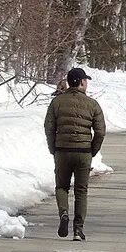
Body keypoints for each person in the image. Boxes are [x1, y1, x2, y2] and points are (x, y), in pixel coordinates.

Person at [43, 67, 105, 241]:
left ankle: (63, 213)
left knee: (62, 187)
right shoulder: (92, 104)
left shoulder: (57, 102)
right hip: (83, 152)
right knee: (81, 191)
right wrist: (93, 150)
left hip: (62, 151)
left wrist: (53, 148)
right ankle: (78, 229)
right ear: (82, 82)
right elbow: (100, 131)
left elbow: (49, 128)